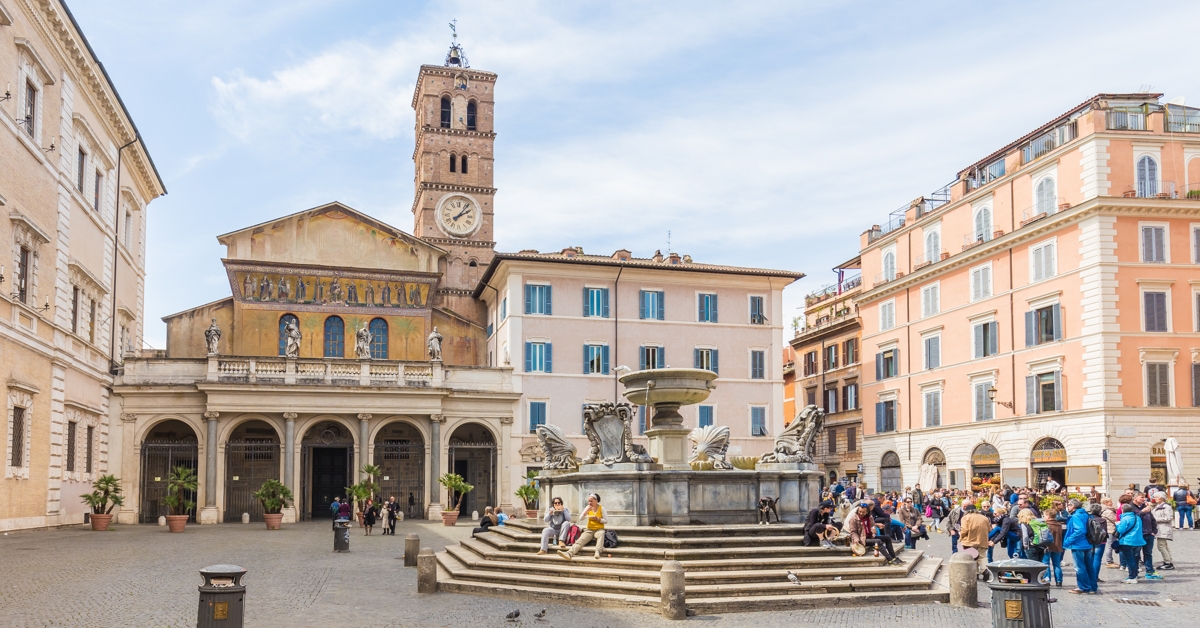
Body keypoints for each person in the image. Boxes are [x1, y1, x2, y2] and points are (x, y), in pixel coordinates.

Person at [1063, 499, 1097, 594]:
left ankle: (1084, 587)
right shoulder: (1085, 514)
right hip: (1087, 543)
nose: (1068, 507)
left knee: (1079, 567)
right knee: (1089, 566)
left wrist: (1068, 540)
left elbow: (1080, 530)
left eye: (1069, 505)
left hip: (1078, 544)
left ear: (1073, 506)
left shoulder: (1076, 516)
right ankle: (1092, 587)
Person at [559, 493, 607, 561]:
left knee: (602, 533)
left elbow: (606, 521)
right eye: (589, 501)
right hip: (589, 530)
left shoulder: (602, 508)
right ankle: (569, 553)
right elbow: (581, 518)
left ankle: (598, 552)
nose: (589, 503)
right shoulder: (588, 507)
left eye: (591, 501)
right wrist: (586, 512)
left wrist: (598, 519)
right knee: (580, 541)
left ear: (596, 501)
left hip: (599, 529)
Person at [959, 501, 991, 580]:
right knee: (982, 557)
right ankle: (985, 570)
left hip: (969, 542)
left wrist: (960, 538)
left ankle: (975, 573)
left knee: (972, 557)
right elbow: (989, 529)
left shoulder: (966, 517)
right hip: (982, 541)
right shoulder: (984, 517)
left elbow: (964, 530)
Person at [1134, 495, 1162, 580]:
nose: (1143, 499)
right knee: (1136, 554)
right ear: (1135, 498)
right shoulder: (1131, 507)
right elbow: (1132, 518)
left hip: (1149, 534)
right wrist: (1142, 512)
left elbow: (1152, 519)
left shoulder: (1146, 507)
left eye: (1144, 497)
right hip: (1138, 534)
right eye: (1141, 497)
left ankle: (1149, 571)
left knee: (1148, 553)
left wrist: (1154, 531)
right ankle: (1134, 573)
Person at [1116, 503, 1144, 583]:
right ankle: (1135, 574)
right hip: (1138, 541)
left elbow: (1121, 530)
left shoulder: (1125, 519)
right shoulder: (1137, 518)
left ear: (1123, 510)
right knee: (1135, 559)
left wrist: (1117, 525)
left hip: (1127, 541)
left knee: (1129, 560)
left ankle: (1132, 577)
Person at [1150, 493, 1174, 571]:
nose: (1155, 498)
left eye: (1157, 497)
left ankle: (1168, 563)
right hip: (1159, 529)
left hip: (1164, 529)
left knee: (1161, 546)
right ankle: (1168, 560)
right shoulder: (1157, 506)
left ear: (1162, 498)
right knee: (1164, 546)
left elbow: (1169, 518)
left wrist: (1156, 519)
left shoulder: (1166, 507)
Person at [1042, 508, 1065, 587]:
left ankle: (1047, 579)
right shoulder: (1059, 525)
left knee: (1046, 563)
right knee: (1057, 564)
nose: (1043, 517)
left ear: (1048, 516)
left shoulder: (1045, 524)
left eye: (1044, 515)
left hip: (1047, 546)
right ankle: (1059, 581)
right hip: (1057, 546)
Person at [1100, 498, 1119, 568]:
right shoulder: (1108, 511)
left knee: (1110, 545)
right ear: (1106, 503)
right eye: (1110, 502)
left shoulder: (1106, 510)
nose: (1112, 503)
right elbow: (1116, 520)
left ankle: (1110, 560)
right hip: (1110, 530)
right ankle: (1109, 561)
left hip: (1109, 530)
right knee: (1109, 546)